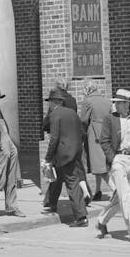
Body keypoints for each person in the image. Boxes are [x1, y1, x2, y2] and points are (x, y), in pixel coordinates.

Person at [97, 89, 130, 242]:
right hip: (118, 160)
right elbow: (104, 141)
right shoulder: (109, 118)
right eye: (115, 102)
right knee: (126, 196)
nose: (116, 105)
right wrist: (113, 158)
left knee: (121, 196)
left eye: (119, 103)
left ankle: (102, 220)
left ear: (126, 104)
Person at [43, 87, 89, 227]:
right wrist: (76, 146)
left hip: (63, 154)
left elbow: (54, 138)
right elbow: (82, 132)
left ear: (54, 102)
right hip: (74, 152)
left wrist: (47, 158)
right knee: (58, 179)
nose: (49, 105)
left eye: (50, 102)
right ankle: (51, 203)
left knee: (72, 184)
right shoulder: (72, 113)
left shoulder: (55, 115)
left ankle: (81, 217)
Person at [0, 85, 26, 218]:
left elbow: (4, 130)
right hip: (1, 149)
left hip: (10, 146)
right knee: (0, 180)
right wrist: (0, 146)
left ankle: (12, 207)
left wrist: (10, 145)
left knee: (11, 179)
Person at [79, 79, 112, 201]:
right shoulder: (107, 101)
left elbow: (83, 120)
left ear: (88, 89)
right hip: (106, 134)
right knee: (100, 162)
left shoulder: (88, 101)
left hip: (94, 134)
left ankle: (115, 191)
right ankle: (98, 190)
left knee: (98, 165)